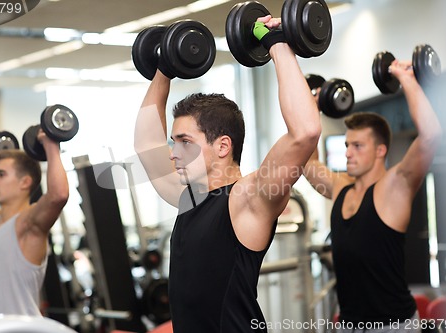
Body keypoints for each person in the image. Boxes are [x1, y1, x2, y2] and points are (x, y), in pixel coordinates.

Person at [134, 16, 321, 333]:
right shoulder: (189, 197)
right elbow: (146, 144)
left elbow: (305, 132)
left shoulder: (247, 199)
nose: (172, 152)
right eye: (174, 142)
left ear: (222, 146)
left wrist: (274, 43)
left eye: (185, 142)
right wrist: (163, 68)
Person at [303, 59, 442, 332]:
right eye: (346, 145)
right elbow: (307, 163)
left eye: (357, 146)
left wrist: (406, 78)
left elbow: (430, 136)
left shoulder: (395, 187)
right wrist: (314, 105)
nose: (347, 153)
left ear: (380, 150)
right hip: (350, 325)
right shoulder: (341, 187)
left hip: (393, 325)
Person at [0, 129, 69, 316]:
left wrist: (51, 145)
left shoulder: (28, 225)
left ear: (25, 182)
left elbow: (58, 195)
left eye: (1, 174)